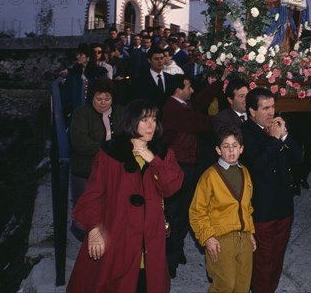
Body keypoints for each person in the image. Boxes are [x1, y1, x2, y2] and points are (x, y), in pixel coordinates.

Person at [67, 99, 184, 293]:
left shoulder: (162, 153)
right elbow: (93, 194)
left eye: (154, 119)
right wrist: (94, 229)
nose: (151, 125)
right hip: (118, 237)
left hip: (151, 239)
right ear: (131, 121)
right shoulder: (110, 153)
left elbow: (172, 186)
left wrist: (153, 160)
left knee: (147, 284)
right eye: (145, 120)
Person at [160, 72, 228, 278]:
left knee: (185, 212)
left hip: (188, 166)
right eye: (188, 87)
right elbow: (201, 122)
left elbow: (199, 101)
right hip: (176, 167)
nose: (192, 90)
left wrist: (219, 81)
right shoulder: (172, 109)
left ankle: (177, 249)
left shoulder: (182, 104)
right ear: (177, 91)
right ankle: (169, 259)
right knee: (172, 214)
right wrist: (229, 117)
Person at [241, 87, 302, 293]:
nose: (271, 112)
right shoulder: (245, 133)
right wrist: (274, 140)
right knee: (262, 262)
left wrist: (284, 137)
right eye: (265, 108)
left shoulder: (277, 129)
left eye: (273, 107)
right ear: (251, 111)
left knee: (277, 259)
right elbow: (258, 164)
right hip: (262, 210)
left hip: (284, 207)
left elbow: (299, 159)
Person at [189, 126, 257, 293]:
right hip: (221, 239)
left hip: (244, 237)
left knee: (243, 285)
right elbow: (197, 211)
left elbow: (247, 207)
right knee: (225, 285)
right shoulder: (209, 176)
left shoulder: (245, 172)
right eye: (225, 146)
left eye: (235, 145)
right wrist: (208, 237)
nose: (231, 150)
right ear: (218, 150)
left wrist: (251, 232)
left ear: (241, 149)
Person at [68, 78, 124, 241]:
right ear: (91, 98)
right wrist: (107, 149)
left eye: (107, 99)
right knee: (88, 207)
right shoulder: (81, 114)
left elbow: (128, 136)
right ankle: (85, 235)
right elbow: (79, 141)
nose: (103, 103)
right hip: (87, 169)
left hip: (115, 169)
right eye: (99, 99)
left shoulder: (121, 113)